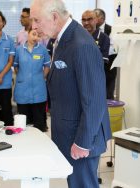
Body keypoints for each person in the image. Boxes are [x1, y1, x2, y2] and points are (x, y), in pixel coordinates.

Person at [30, 0, 112, 187]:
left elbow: (94, 100)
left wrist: (83, 142)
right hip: (69, 134)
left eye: (36, 20)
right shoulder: (61, 40)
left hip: (82, 138)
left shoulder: (81, 44)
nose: (33, 26)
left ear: (54, 17)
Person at [14, 27, 50, 132]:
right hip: (23, 89)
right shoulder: (19, 49)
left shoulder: (42, 49)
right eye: (33, 34)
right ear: (28, 34)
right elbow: (16, 66)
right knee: (23, 122)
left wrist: (41, 77)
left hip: (38, 89)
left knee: (39, 123)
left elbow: (47, 65)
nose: (36, 37)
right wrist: (23, 76)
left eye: (38, 35)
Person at [95, 8, 118, 99]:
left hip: (109, 67)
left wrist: (100, 52)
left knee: (108, 93)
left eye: (94, 17)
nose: (92, 20)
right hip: (96, 66)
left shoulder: (111, 29)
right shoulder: (91, 30)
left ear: (101, 18)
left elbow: (114, 48)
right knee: (97, 93)